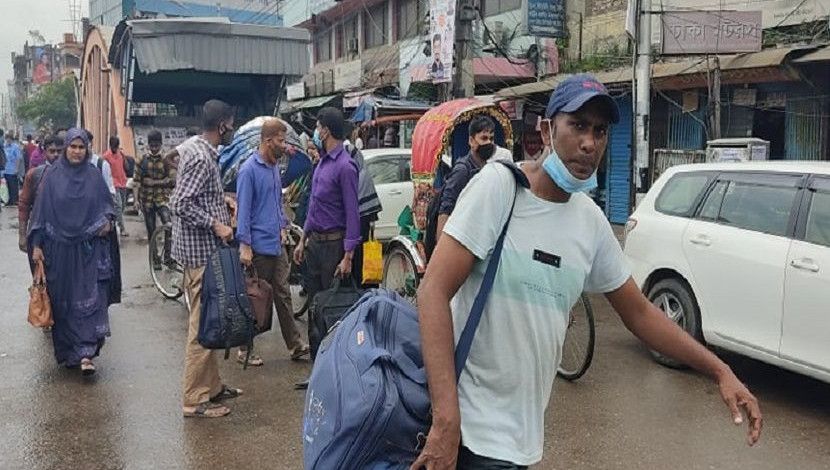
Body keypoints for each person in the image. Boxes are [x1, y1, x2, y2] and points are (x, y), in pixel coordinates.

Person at [413, 74, 763, 470]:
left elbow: (640, 313)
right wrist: (446, 421)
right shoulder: (500, 188)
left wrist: (720, 370)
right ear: (547, 130)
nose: (589, 143)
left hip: (522, 440)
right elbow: (433, 291)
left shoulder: (589, 222)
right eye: (578, 125)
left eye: (600, 131)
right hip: (470, 433)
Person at [170, 99, 242, 418]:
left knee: (212, 319)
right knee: (202, 325)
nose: (233, 129)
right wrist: (216, 223)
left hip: (201, 251)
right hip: (201, 253)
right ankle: (194, 398)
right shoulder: (201, 157)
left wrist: (220, 200)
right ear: (223, 125)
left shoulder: (198, 149)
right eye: (232, 124)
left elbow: (196, 196)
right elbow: (180, 203)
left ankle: (212, 387)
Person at [28, 128, 121, 376]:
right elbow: (40, 214)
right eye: (73, 147)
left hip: (89, 251)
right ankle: (71, 353)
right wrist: (36, 246)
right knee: (64, 303)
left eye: (81, 147)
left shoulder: (93, 176)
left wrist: (106, 222)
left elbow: (107, 207)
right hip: (59, 252)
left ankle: (86, 354)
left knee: (91, 299)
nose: (77, 152)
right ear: (66, 148)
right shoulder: (52, 177)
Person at [293, 107, 360, 389]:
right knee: (315, 309)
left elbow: (353, 214)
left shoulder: (345, 166)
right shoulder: (320, 164)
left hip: (335, 247)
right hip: (315, 245)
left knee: (334, 310)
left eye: (318, 127)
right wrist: (302, 239)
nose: (316, 133)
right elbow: (313, 207)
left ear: (326, 130)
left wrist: (348, 256)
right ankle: (318, 373)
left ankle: (339, 372)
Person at [236, 118, 310, 366]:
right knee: (256, 297)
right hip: (257, 246)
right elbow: (244, 211)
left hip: (276, 243)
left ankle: (295, 344)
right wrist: (245, 245)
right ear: (268, 141)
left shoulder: (274, 169)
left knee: (283, 293)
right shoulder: (249, 170)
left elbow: (277, 203)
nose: (284, 145)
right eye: (280, 140)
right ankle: (245, 348)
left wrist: (283, 225)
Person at [434, 116, 498, 245]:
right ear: (471, 141)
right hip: (460, 238)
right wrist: (441, 247)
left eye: (491, 139)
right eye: (484, 138)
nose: (488, 143)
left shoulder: (488, 168)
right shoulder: (462, 170)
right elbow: (445, 209)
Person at [135, 130, 176, 267]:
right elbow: (136, 181)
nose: (154, 149)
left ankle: (168, 257)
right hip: (146, 201)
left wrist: (154, 182)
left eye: (156, 146)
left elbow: (172, 180)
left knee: (169, 225)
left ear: (160, 145)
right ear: (148, 145)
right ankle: (155, 259)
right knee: (151, 230)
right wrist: (136, 200)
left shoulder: (166, 160)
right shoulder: (141, 160)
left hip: (162, 199)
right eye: (152, 146)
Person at [18, 135, 62, 256]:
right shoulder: (34, 175)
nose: (56, 155)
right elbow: (24, 205)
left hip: (65, 237)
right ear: (45, 152)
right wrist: (22, 235)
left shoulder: (72, 175)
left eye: (59, 151)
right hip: (40, 235)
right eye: (52, 151)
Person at [103, 136, 130, 236]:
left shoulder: (120, 154)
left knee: (122, 206)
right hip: (113, 184)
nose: (115, 148)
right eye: (113, 146)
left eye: (116, 146)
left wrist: (124, 157)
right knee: (118, 206)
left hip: (122, 182)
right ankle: (122, 229)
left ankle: (115, 223)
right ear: (110, 146)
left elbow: (126, 167)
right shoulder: (106, 156)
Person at [86, 131, 118, 199]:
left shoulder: (101, 165)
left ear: (91, 144)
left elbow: (110, 190)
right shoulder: (74, 165)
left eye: (86, 143)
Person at [4, 132, 22, 206]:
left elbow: (18, 158)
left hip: (12, 170)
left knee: (13, 186)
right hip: (5, 170)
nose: (7, 140)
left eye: (9, 138)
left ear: (11, 139)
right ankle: (9, 200)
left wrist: (16, 169)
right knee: (7, 186)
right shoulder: (5, 146)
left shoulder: (15, 147)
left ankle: (15, 200)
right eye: (6, 138)